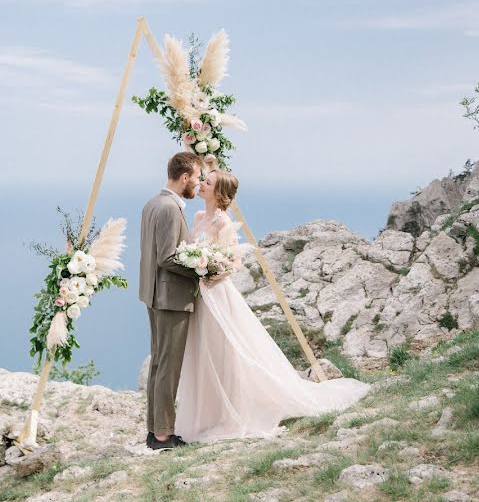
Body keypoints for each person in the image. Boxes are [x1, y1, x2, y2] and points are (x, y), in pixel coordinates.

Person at [174, 168, 372, 443]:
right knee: (203, 351)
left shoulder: (223, 224)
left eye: (207, 182)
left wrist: (212, 273)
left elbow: (233, 262)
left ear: (218, 194)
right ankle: (208, 412)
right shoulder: (197, 217)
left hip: (217, 294)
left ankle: (233, 410)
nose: (202, 184)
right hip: (200, 295)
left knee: (225, 351)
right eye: (203, 180)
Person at [139, 151, 220, 450]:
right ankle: (163, 436)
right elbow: (167, 256)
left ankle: (155, 430)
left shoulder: (152, 203)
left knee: (160, 364)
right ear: (184, 177)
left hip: (153, 293)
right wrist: (202, 267)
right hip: (170, 296)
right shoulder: (170, 208)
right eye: (197, 177)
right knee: (168, 366)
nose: (197, 183)